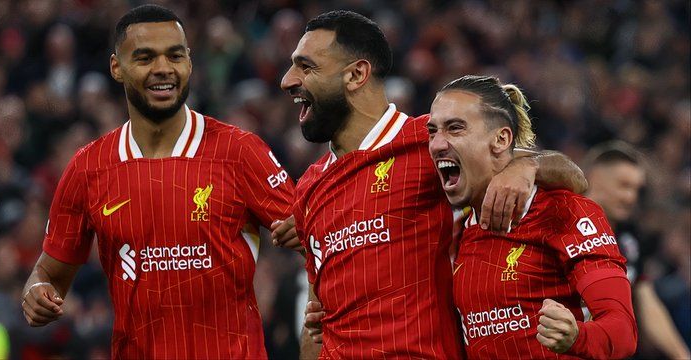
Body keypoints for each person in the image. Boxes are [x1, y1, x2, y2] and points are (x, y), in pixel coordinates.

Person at [274, 11, 587, 359]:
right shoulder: (310, 187)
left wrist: (524, 167)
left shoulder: (431, 141)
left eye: (306, 67)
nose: (288, 80)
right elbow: (316, 324)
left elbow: (573, 176)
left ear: (356, 74)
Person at [20, 5, 295, 359]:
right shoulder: (89, 168)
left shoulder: (239, 151)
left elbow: (315, 237)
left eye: (174, 56)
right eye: (146, 57)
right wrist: (37, 289)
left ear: (190, 63)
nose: (163, 69)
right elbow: (49, 272)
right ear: (116, 67)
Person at [428, 75, 637, 359]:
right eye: (433, 131)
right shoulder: (458, 228)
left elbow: (622, 333)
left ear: (501, 139)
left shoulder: (563, 211)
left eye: (455, 128)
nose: (438, 143)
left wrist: (577, 335)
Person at [584, 141, 690, 359]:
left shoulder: (629, 238)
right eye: (623, 186)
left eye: (636, 189)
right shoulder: (563, 226)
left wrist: (681, 355)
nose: (631, 197)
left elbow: (646, 300)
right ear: (595, 178)